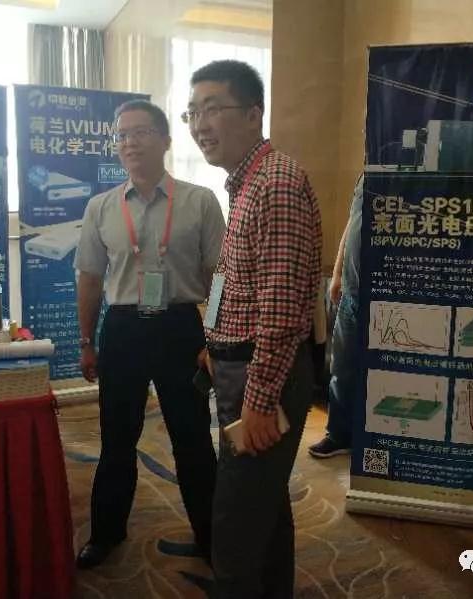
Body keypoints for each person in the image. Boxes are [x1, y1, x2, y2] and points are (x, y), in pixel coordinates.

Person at [186, 60, 322, 598]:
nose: (200, 125)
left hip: (263, 377)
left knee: (237, 522)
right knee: (263, 506)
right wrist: (212, 339)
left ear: (252, 114)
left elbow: (282, 310)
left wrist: (261, 402)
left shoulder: (276, 183)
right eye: (192, 112)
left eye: (212, 109)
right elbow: (235, 278)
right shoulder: (244, 183)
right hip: (239, 368)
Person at [74, 99, 225, 569]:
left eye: (140, 132)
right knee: (117, 438)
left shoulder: (199, 201)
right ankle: (106, 533)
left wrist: (215, 338)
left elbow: (220, 277)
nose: (130, 143)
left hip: (180, 328)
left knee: (192, 436)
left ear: (165, 140)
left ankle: (212, 535)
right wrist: (86, 341)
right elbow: (89, 278)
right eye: (121, 135)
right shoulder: (101, 207)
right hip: (122, 330)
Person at [308, 174, 363, 458]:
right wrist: (338, 272)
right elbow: (352, 223)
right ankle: (339, 434)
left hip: (389, 294)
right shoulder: (366, 174)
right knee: (342, 367)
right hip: (352, 292)